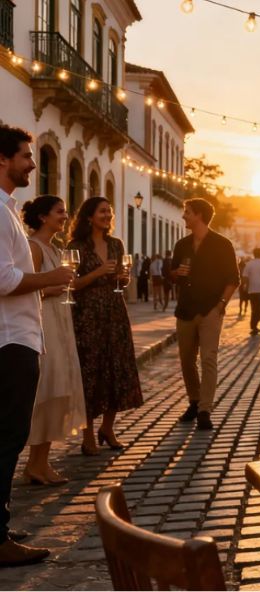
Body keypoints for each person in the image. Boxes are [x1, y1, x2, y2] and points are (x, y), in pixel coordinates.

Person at [0, 125, 74, 566]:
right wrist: (52, 277)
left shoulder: (7, 209)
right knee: (8, 438)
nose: (33, 163)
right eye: (26, 156)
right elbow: (3, 279)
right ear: (3, 159)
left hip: (17, 336)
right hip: (10, 340)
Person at [67, 197, 143, 454]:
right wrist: (97, 273)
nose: (108, 215)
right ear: (89, 216)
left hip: (114, 312)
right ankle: (87, 434)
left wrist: (124, 277)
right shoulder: (76, 246)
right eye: (102, 211)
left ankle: (108, 428)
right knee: (90, 371)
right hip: (87, 316)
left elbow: (123, 280)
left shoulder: (116, 244)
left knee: (117, 368)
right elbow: (71, 284)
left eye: (109, 212)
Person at [22, 195, 87, 485]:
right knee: (46, 391)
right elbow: (23, 288)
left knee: (58, 389)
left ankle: (41, 462)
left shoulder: (55, 248)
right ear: (43, 217)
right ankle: (34, 464)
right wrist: (52, 288)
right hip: (43, 323)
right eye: (59, 212)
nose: (65, 216)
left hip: (60, 321)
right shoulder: (33, 248)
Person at [170, 198, 240, 431]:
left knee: (208, 359)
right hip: (185, 309)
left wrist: (221, 305)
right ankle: (194, 400)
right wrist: (177, 273)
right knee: (186, 360)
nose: (184, 216)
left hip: (211, 309)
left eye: (187, 212)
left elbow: (234, 279)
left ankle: (205, 410)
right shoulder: (182, 245)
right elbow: (172, 273)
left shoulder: (223, 244)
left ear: (199, 215)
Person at [242, 247, 260, 335]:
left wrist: (246, 286)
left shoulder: (249, 264)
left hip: (252, 290)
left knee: (254, 309)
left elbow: (244, 277)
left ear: (254, 254)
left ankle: (254, 326)